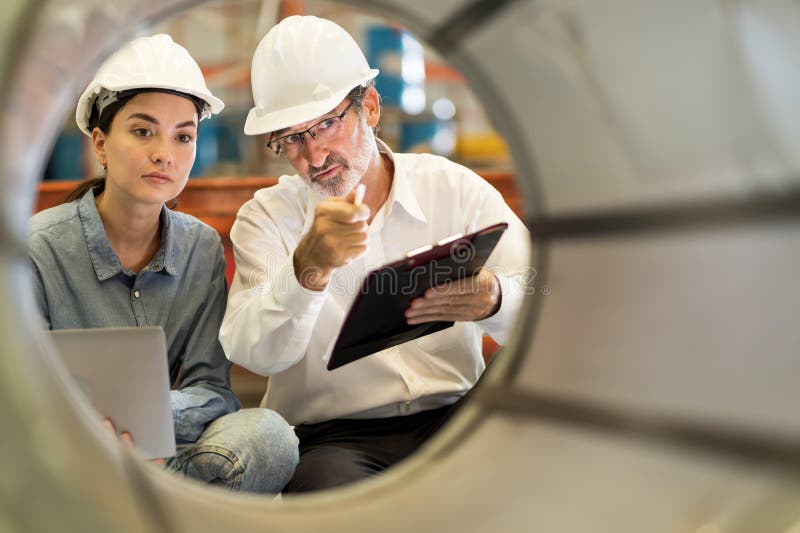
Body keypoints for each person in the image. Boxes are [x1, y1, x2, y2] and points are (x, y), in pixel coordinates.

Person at [220, 16, 530, 493]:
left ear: (368, 105)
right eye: (291, 138)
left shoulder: (453, 189)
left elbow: (553, 312)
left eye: (325, 124)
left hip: (458, 415)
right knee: (322, 494)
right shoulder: (267, 219)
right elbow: (253, 353)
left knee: (543, 430)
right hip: (335, 440)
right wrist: (307, 271)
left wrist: (496, 299)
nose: (315, 156)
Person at [28, 34, 298, 494]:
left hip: (165, 457)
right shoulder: (39, 249)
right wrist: (97, 430)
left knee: (269, 437)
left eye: (183, 136)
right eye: (142, 131)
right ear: (100, 143)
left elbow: (212, 389)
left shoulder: (201, 248)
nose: (164, 153)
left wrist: (149, 422)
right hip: (66, 459)